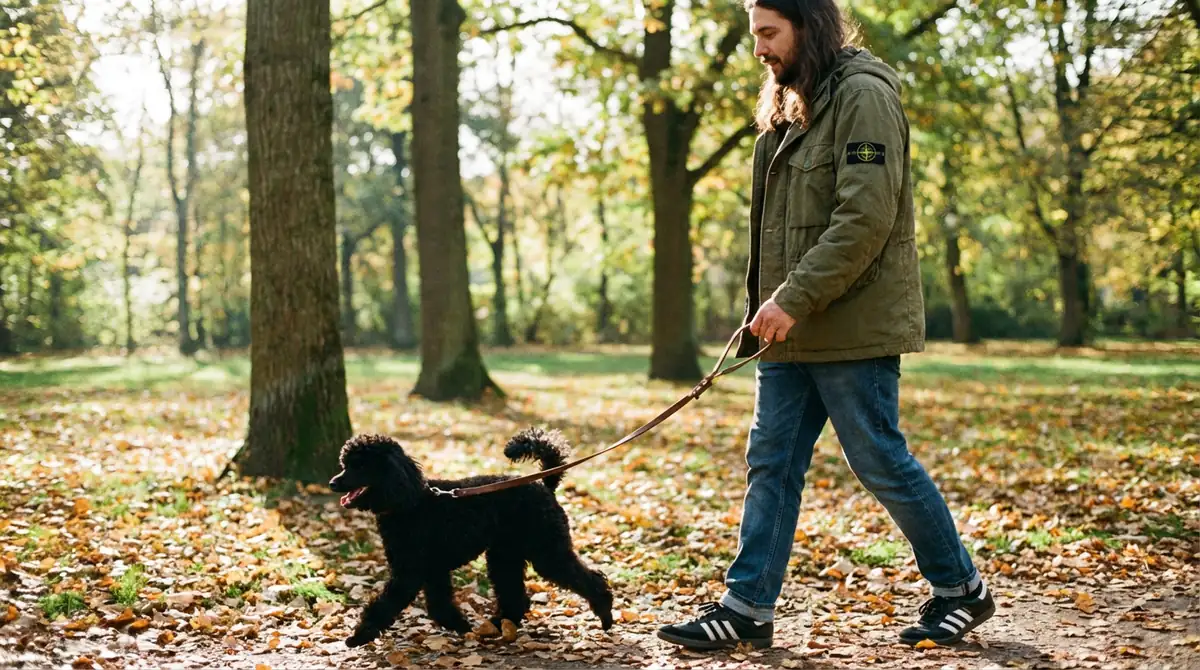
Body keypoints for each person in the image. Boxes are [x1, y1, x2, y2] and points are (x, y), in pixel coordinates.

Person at [656, 0, 994, 651]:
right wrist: (771, 310)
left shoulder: (864, 97)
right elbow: (783, 230)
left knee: (879, 461)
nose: (758, 49)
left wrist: (792, 299)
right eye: (755, 34)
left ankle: (962, 590)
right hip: (792, 332)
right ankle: (748, 604)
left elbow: (863, 219)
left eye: (769, 33)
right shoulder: (792, 103)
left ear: (808, 25)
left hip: (850, 328)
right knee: (771, 462)